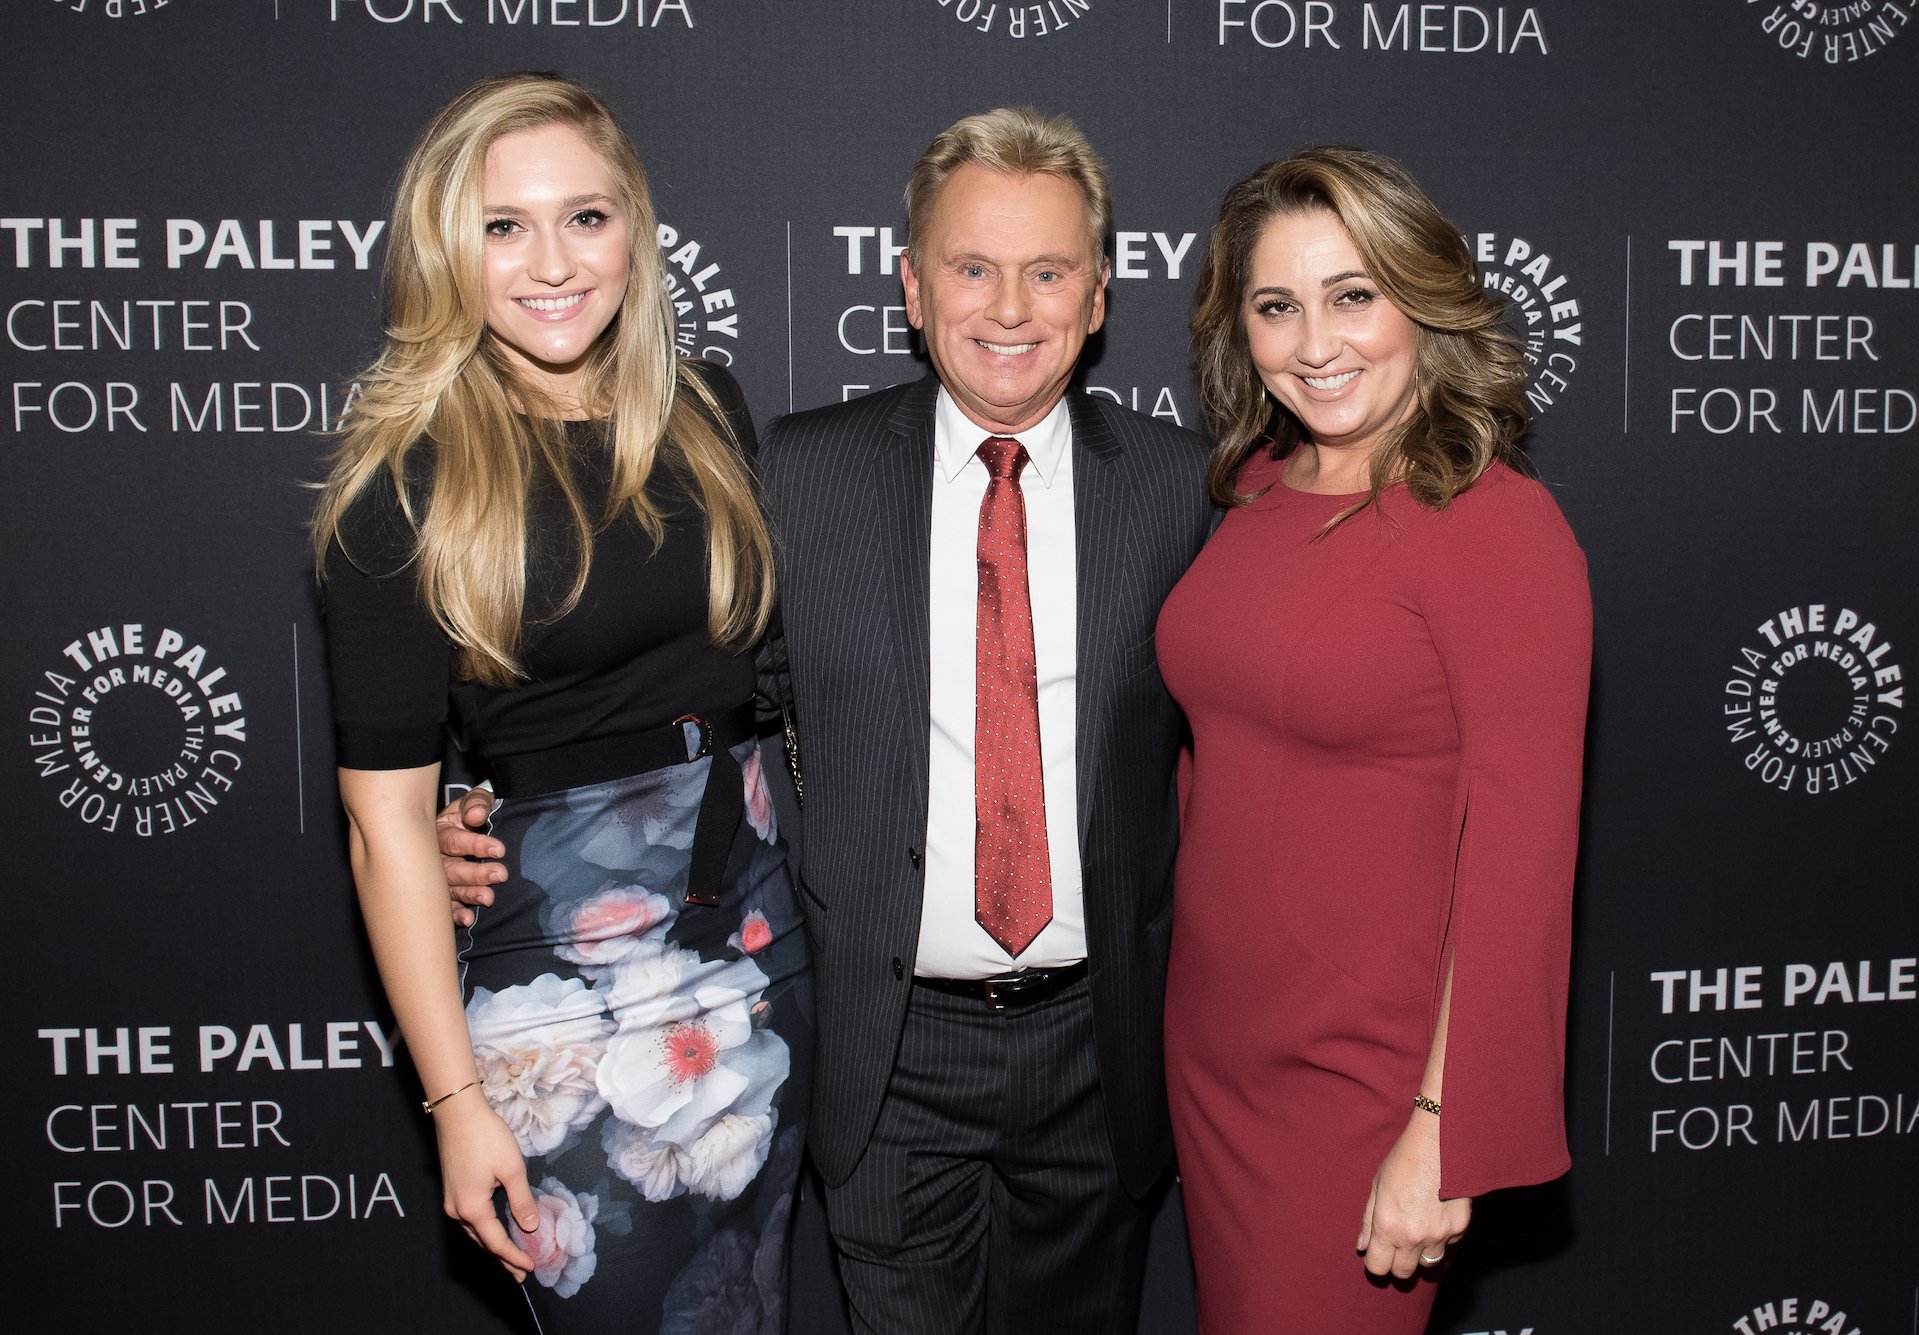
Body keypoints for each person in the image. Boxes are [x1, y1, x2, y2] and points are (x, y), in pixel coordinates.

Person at [442, 107, 1214, 1335]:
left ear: (1101, 291)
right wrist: (491, 804)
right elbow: (681, 690)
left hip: (1098, 1046)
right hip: (883, 1048)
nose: (1008, 306)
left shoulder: (1183, 489)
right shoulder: (798, 475)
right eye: (970, 267)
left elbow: (1262, 726)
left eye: (1047, 270)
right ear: (912, 285)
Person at [314, 73, 811, 1331]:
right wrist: (456, 1104)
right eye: (503, 226)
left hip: (760, 947)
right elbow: (384, 829)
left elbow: (765, 678)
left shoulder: (704, 414)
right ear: (448, 250)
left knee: (748, 1307)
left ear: (632, 231)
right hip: (560, 1001)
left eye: (584, 218)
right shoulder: (402, 485)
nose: (551, 262)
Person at [1156, 146, 1591, 1334]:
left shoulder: (1494, 525)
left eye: (1353, 295)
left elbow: (1522, 856)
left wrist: (1442, 1132)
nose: (1314, 342)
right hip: (1212, 1048)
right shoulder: (1253, 489)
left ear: (1421, 300)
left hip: (1365, 1080)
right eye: (1274, 305)